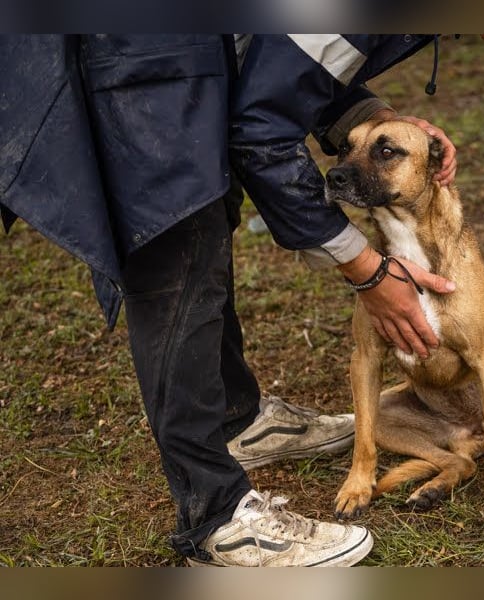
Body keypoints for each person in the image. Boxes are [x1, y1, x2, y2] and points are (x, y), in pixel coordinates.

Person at [0, 34, 457, 567]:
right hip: (135, 66)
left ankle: (235, 421)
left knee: (207, 217)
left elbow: (270, 61)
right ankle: (215, 520)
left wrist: (377, 115)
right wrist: (365, 269)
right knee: (173, 242)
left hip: (177, 61)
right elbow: (262, 124)